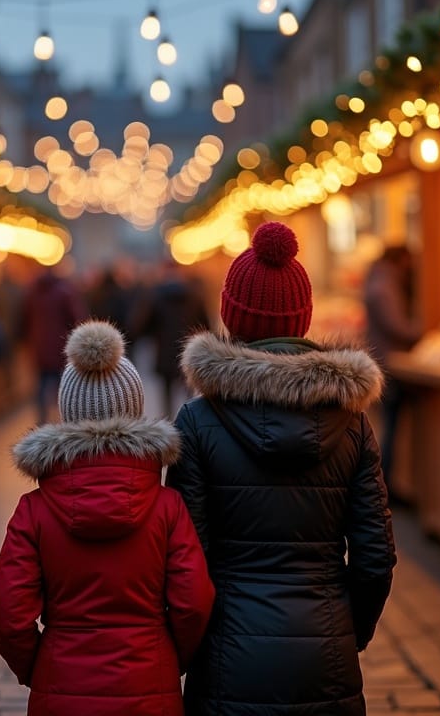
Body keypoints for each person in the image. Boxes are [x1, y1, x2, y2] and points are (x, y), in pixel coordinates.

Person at [167, 222, 396, 716]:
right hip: (326, 653)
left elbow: (187, 560)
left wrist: (194, 644)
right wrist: (346, 631)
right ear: (303, 318)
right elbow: (375, 557)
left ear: (230, 315)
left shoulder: (198, 422)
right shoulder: (352, 422)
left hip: (228, 656)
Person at [0, 321, 214, 716]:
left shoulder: (34, 510)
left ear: (68, 412)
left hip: (60, 688)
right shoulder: (168, 508)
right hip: (150, 688)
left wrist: (38, 667)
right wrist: (167, 659)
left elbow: (9, 613)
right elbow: (193, 603)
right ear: (134, 410)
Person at [363, 244, 422, 488]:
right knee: (390, 427)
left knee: (388, 426)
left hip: (383, 360)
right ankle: (385, 482)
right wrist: (422, 329)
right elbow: (396, 326)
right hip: (391, 363)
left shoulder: (377, 280)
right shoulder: (385, 286)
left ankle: (387, 480)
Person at [130, 261, 210, 418]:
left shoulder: (155, 296)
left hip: (164, 353)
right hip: (189, 352)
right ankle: (191, 421)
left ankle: (169, 422)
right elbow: (207, 325)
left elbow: (141, 325)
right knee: (189, 391)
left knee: (167, 394)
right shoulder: (195, 296)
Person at [20, 267, 86, 425]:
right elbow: (77, 318)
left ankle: (42, 422)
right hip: (60, 348)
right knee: (63, 387)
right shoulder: (64, 292)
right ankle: (64, 420)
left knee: (41, 388)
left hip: (39, 349)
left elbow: (24, 320)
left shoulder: (32, 293)